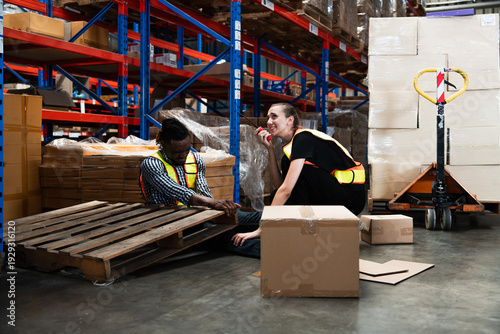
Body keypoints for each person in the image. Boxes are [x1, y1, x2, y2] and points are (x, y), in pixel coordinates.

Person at [231, 103, 366, 247]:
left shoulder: (303, 139)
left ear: (290, 120)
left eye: (274, 116)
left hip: (350, 200)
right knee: (278, 193)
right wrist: (270, 150)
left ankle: (338, 222)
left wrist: (262, 228)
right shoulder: (290, 151)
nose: (269, 122)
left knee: (293, 183)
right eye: (268, 118)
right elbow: (280, 186)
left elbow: (287, 190)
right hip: (335, 196)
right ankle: (308, 226)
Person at [140, 118, 261, 258]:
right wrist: (213, 202)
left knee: (256, 217)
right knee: (225, 236)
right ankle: (278, 252)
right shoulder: (151, 164)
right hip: (172, 222)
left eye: (186, 150)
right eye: (177, 152)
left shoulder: (195, 158)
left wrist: (220, 208)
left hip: (199, 214)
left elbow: (203, 189)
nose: (183, 155)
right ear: (163, 144)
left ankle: (287, 228)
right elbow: (177, 192)